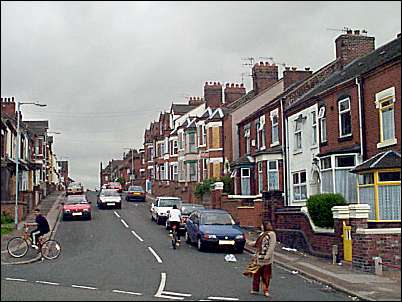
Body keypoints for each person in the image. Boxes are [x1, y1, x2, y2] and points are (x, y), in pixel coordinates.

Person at [246, 221, 276, 297]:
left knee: (266, 275)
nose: (261, 227)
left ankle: (265, 290)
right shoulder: (262, 234)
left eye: (262, 225)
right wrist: (248, 242)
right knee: (256, 274)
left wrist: (267, 256)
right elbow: (256, 243)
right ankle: (255, 289)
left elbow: (271, 246)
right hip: (258, 258)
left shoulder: (272, 234)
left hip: (266, 260)